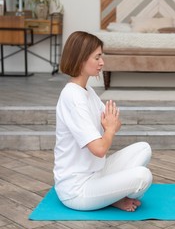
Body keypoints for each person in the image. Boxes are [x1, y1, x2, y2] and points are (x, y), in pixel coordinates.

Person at [53, 31, 153, 212]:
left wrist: (111, 126)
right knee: (143, 177)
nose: (102, 62)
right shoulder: (72, 97)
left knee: (143, 148)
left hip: (96, 173)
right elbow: (99, 148)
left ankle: (110, 196)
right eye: (97, 57)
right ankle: (111, 196)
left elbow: (113, 123)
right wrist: (110, 129)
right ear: (81, 59)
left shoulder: (87, 91)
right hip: (77, 189)